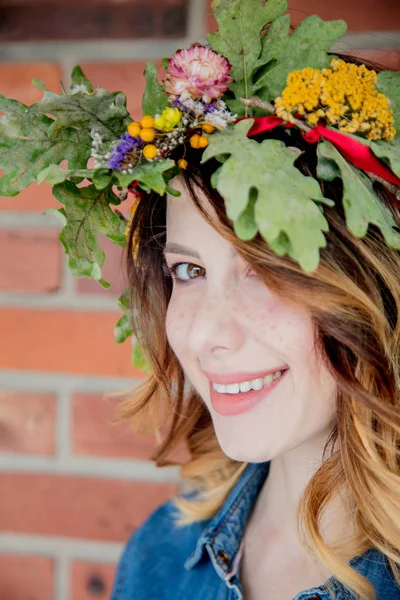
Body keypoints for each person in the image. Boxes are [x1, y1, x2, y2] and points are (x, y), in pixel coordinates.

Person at [1, 2, 400, 599]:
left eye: (269, 271)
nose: (206, 334)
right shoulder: (161, 558)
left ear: (371, 285)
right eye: (187, 269)